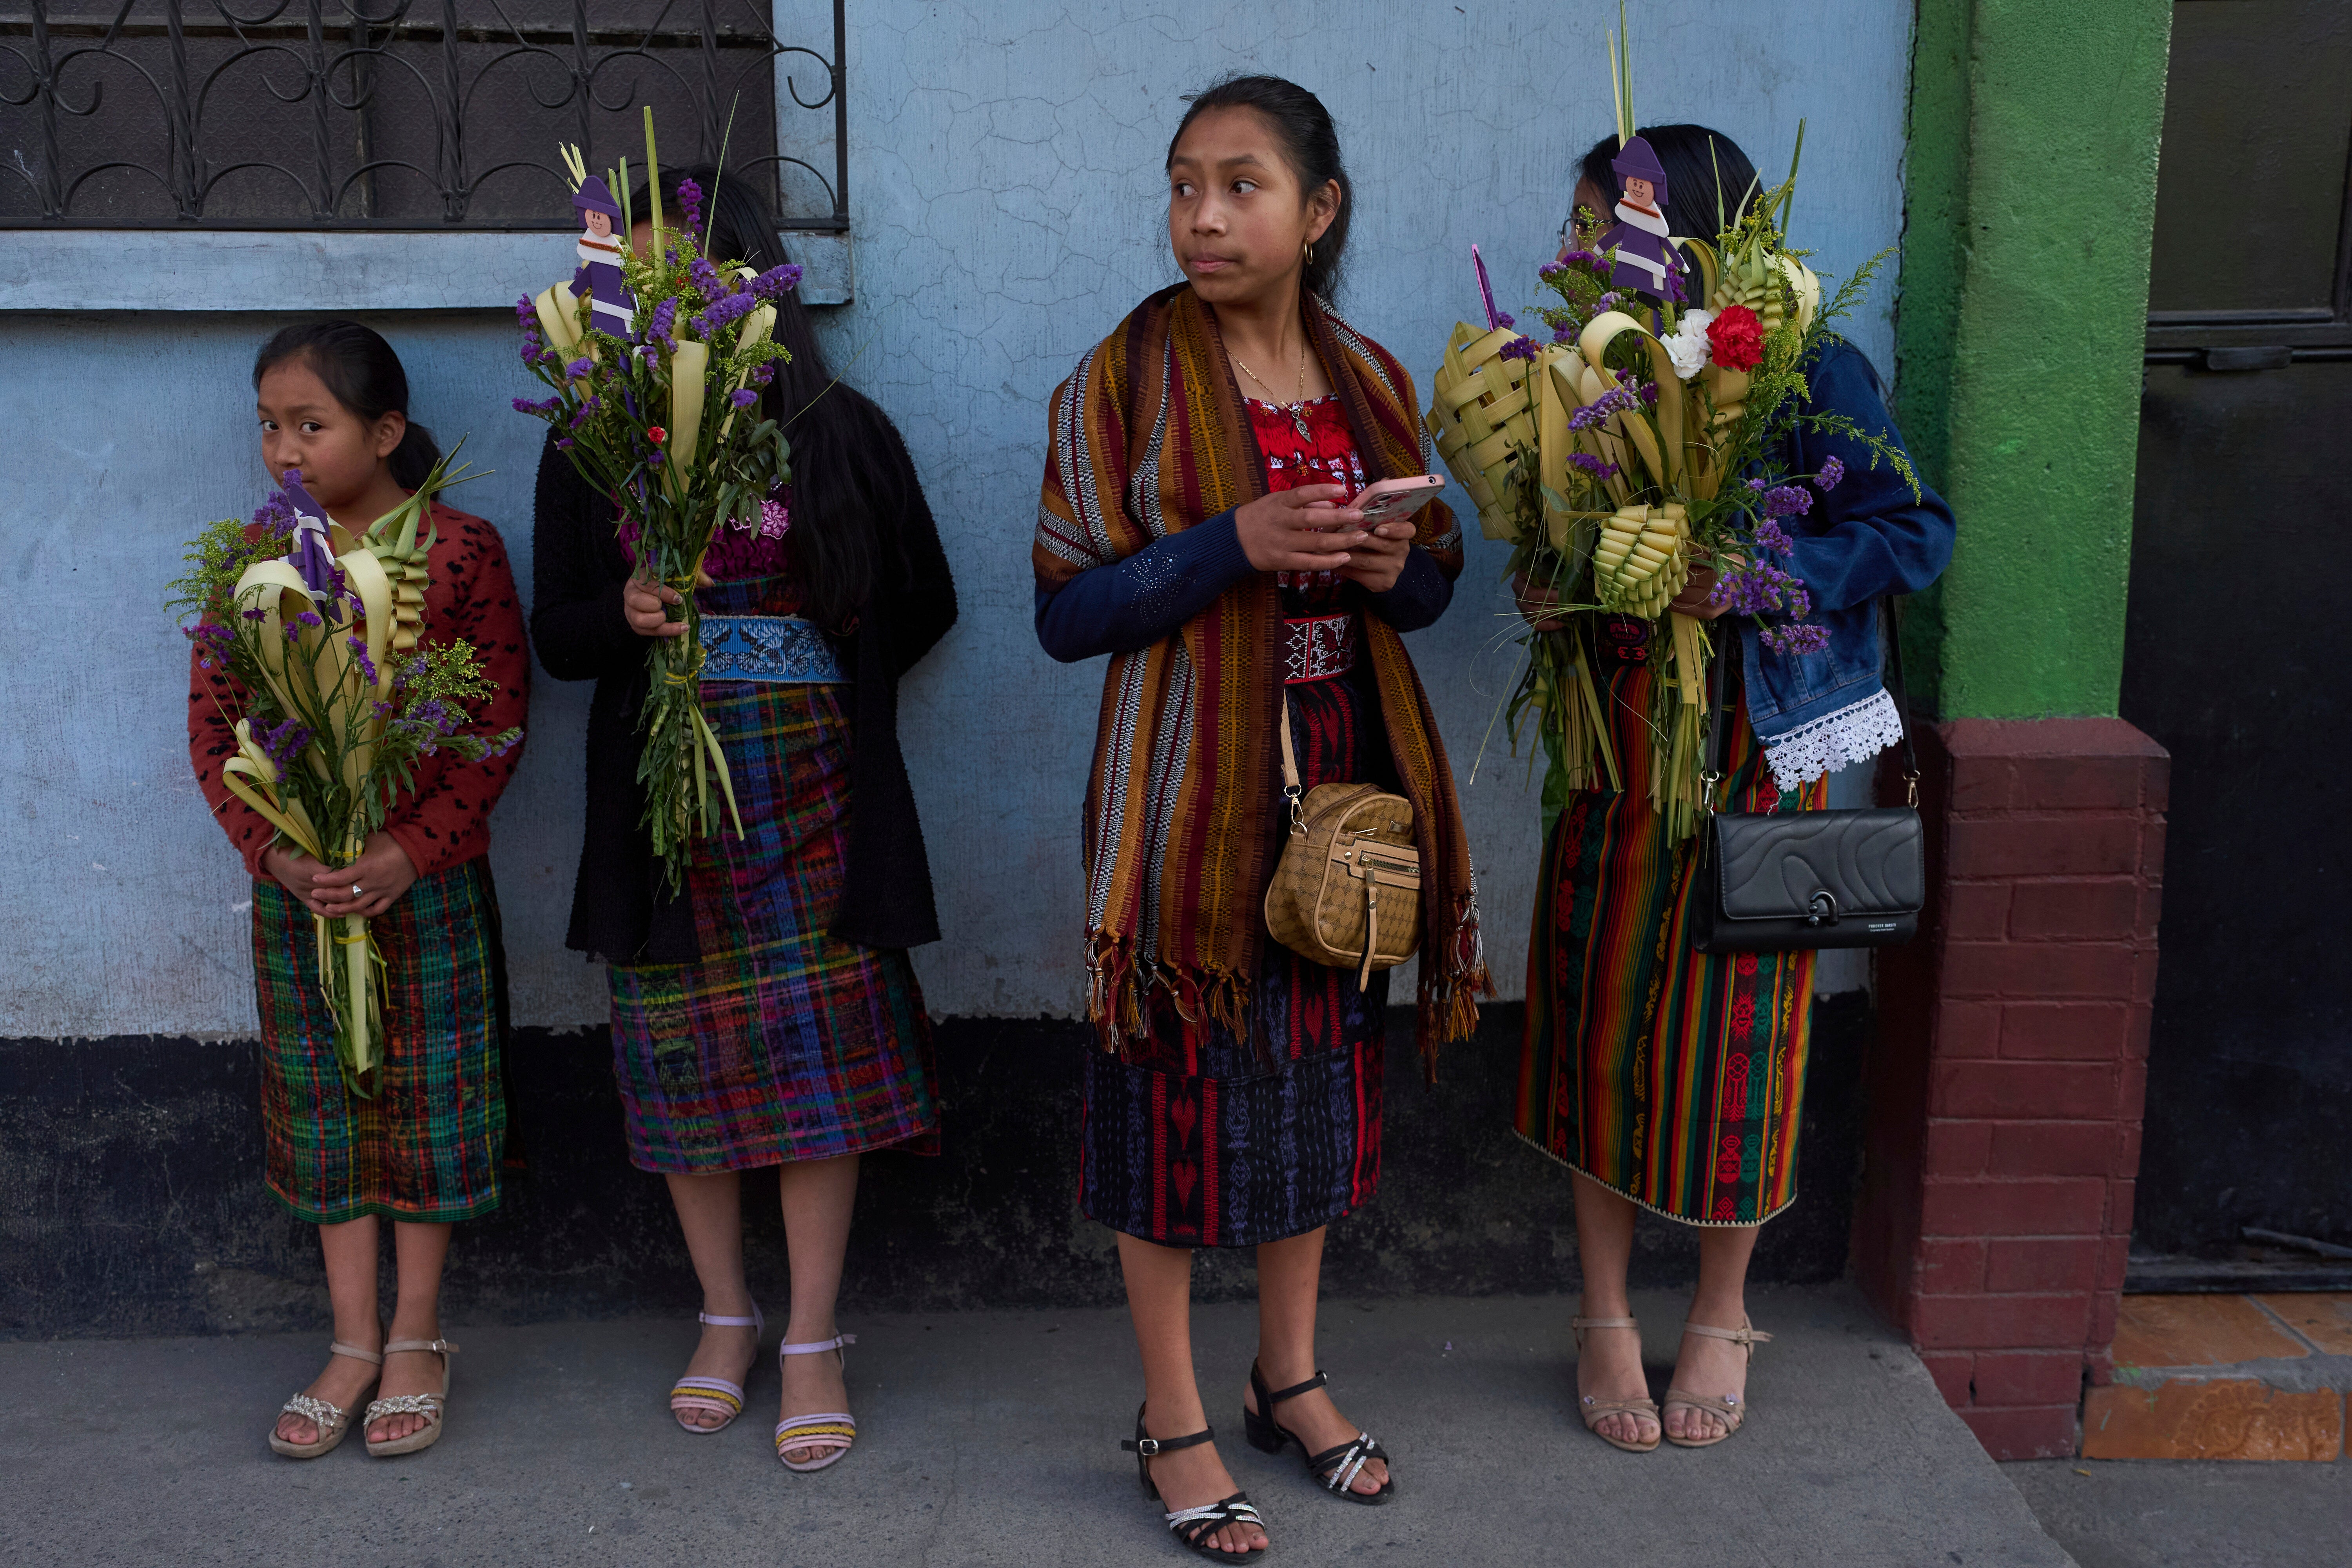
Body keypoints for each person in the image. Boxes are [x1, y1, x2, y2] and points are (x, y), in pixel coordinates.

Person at [1034, 76, 1485, 1558]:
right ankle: (1174, 1420)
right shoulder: (1127, 378)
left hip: (1342, 788)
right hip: (1186, 797)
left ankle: (1288, 1377)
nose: (1204, 216)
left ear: (1319, 211)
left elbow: (1426, 590)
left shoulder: (1366, 378)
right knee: (1170, 1091)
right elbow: (1065, 611)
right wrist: (1233, 542)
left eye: (1241, 185)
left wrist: (1381, 569)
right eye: (1184, 185)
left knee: (1315, 1089)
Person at [1515, 125, 1957, 1452]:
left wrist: (1757, 583)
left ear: (1691, 230)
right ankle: (1601, 1313)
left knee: (1741, 1037)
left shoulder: (1810, 366)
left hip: (1768, 752)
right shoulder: (1589, 372)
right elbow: (1563, 532)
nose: (1586, 251)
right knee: (1596, 1017)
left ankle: (1721, 1313)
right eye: (1586, 226)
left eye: (1606, 223)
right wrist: (1552, 591)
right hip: (1618, 740)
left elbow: (1911, 533)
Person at [531, 165, 956, 1474]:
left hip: (815, 792)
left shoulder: (838, 428)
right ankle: (726, 1314)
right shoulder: (594, 441)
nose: (672, 304)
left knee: (815, 1064)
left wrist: (802, 663)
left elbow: (923, 600)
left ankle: (815, 1332)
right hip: (670, 805)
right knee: (685, 1060)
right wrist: (633, 619)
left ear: (753, 279)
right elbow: (560, 635)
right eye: (643, 282)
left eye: (696, 275)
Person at [190, 319, 530, 1460]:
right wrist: (278, 853)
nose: (286, 450)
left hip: (421, 885)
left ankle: (419, 1334)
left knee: (428, 1104)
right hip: (306, 892)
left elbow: (493, 729)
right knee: (326, 1106)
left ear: (384, 432)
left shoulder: (462, 551)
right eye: (269, 428)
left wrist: (411, 848)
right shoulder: (251, 563)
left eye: (311, 425)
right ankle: (348, 1337)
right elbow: (214, 732)